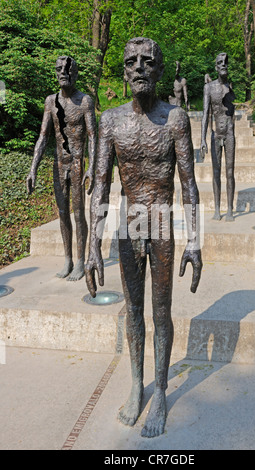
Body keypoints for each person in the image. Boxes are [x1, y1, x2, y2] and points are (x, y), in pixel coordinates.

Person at [85, 37, 202, 438]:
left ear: (159, 70)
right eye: (131, 61)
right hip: (129, 220)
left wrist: (196, 241)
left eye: (147, 61)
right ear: (123, 70)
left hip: (163, 222)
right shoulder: (111, 121)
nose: (139, 67)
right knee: (133, 310)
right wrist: (92, 247)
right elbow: (100, 185)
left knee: (161, 311)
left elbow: (189, 184)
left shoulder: (176, 119)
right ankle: (137, 386)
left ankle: (163, 391)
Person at [27, 56, 97, 280]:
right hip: (59, 165)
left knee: (78, 214)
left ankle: (79, 260)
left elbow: (93, 137)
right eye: (59, 69)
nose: (63, 73)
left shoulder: (85, 101)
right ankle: (67, 258)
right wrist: (33, 168)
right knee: (63, 213)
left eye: (67, 69)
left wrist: (92, 167)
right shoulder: (50, 102)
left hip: (77, 164)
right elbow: (43, 137)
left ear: (75, 74)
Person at [201, 52, 236, 221]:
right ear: (216, 67)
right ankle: (217, 209)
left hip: (229, 133)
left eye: (225, 63)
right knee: (216, 172)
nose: (223, 65)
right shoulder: (209, 88)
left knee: (229, 172)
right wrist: (202, 139)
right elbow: (206, 114)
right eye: (220, 63)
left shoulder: (230, 87)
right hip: (216, 135)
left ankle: (229, 209)